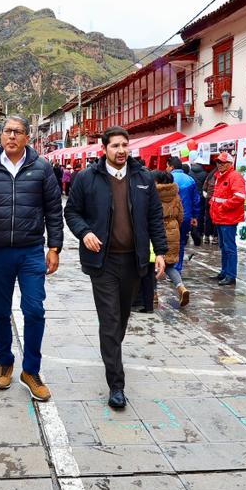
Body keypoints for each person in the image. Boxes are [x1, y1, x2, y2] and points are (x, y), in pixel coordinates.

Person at [64, 126, 167, 410]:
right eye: (115, 146)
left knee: (121, 318)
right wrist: (85, 232)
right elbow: (71, 211)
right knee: (110, 320)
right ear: (104, 149)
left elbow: (155, 217)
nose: (121, 150)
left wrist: (161, 252)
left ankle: (111, 350)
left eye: (125, 145)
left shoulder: (143, 178)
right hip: (103, 261)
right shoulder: (87, 178)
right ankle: (116, 385)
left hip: (134, 261)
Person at [0, 115, 64, 402]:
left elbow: (53, 209)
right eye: (7, 131)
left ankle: (31, 371)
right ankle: (5, 362)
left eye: (18, 132)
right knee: (0, 312)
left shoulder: (41, 167)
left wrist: (54, 247)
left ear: (27, 137)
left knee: (34, 310)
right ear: (1, 136)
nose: (11, 136)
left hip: (31, 251)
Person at [146, 169, 189, 308]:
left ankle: (153, 294)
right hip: (173, 229)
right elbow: (181, 215)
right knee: (169, 265)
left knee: (153, 264)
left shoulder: (153, 194)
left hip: (156, 230)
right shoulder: (175, 194)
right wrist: (174, 226)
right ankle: (181, 287)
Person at [209, 152, 246, 287]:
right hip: (220, 217)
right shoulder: (220, 176)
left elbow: (240, 197)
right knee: (224, 247)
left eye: (222, 162)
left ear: (230, 163)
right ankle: (224, 272)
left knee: (229, 247)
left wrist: (223, 206)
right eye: (218, 162)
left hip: (228, 218)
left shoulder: (235, 176)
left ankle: (230, 275)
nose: (219, 164)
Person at [167, 156, 200, 280]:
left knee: (168, 242)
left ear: (171, 167)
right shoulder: (190, 180)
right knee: (180, 243)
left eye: (167, 166)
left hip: (170, 217)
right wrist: (195, 216)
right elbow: (196, 200)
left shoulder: (168, 179)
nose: (166, 168)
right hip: (186, 217)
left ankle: (168, 268)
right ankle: (177, 270)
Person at [189, 156, 210, 245]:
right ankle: (199, 231)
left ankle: (191, 230)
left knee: (191, 213)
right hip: (201, 196)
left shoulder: (190, 172)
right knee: (200, 214)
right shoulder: (205, 174)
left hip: (192, 196)